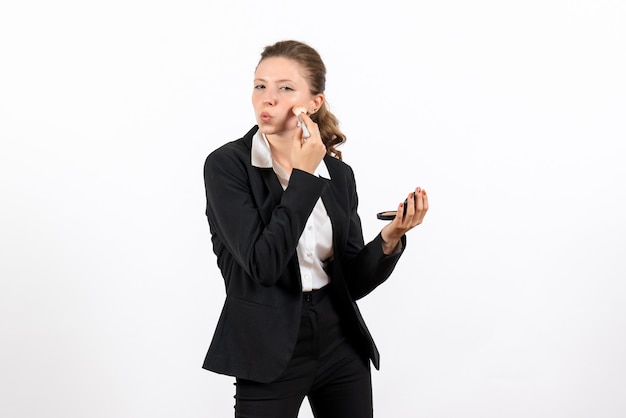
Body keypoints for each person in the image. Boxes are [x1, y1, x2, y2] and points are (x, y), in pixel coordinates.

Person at [202, 40, 429, 418]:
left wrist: (389, 239)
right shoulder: (227, 166)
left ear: (314, 103)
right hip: (267, 344)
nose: (267, 99)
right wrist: (304, 175)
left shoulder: (338, 175)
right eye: (260, 85)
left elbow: (352, 281)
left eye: (285, 88)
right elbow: (263, 265)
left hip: (340, 340)